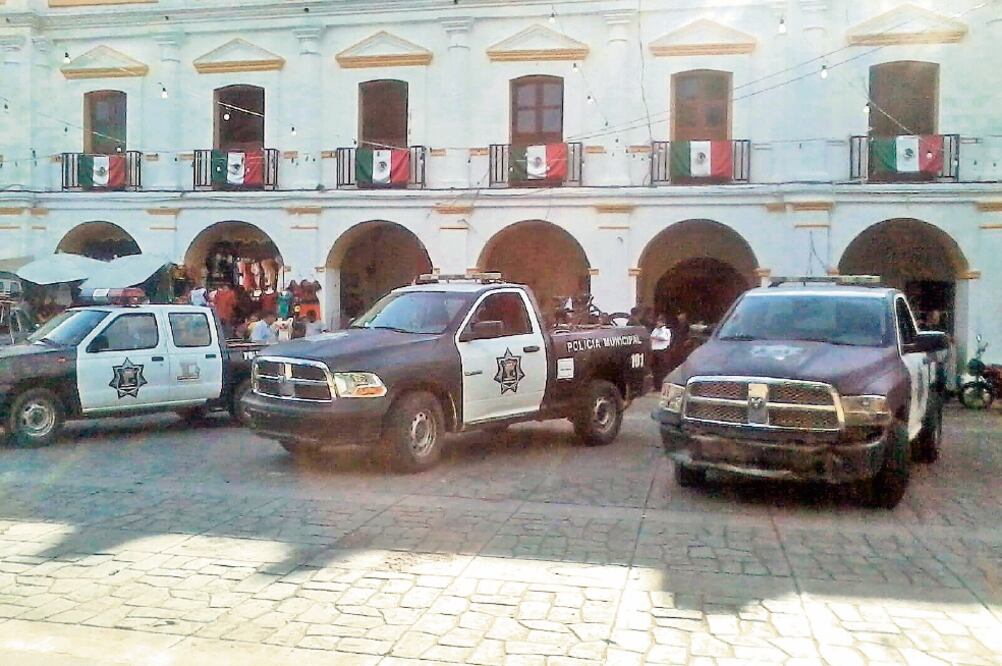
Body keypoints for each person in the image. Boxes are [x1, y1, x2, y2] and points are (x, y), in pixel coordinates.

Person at [651, 314, 673, 387]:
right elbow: (651, 336)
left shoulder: (666, 330)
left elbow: (663, 337)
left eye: (659, 321)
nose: (657, 323)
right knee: (655, 370)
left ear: (663, 322)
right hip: (655, 351)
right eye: (657, 321)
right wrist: (656, 332)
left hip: (662, 351)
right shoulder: (655, 330)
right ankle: (656, 385)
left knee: (663, 369)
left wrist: (660, 329)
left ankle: (663, 385)